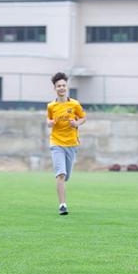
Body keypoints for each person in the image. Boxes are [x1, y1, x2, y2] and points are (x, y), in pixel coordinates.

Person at [47, 72, 87, 214]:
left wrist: (76, 123)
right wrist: (49, 122)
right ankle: (62, 205)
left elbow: (83, 118)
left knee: (66, 176)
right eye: (59, 86)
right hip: (56, 143)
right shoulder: (51, 106)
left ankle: (62, 183)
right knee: (61, 175)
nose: (61, 88)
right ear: (55, 89)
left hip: (72, 143)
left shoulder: (74, 104)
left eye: (63, 85)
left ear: (67, 87)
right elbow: (49, 120)